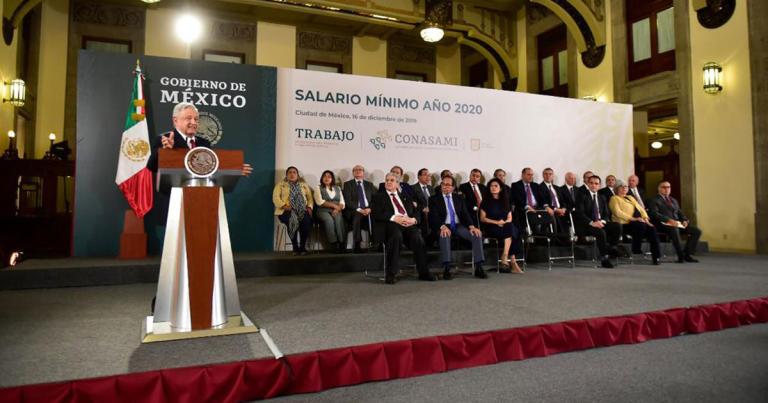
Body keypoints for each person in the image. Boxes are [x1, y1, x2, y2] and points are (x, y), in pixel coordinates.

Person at [150, 102, 252, 176]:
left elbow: (211, 167)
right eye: (189, 118)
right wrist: (164, 151)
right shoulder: (164, 139)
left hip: (201, 195)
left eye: (196, 119)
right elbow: (151, 167)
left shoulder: (204, 143)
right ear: (175, 120)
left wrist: (233, 169)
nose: (194, 122)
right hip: (173, 198)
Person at [372, 172, 436, 284]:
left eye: (392, 180)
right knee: (396, 236)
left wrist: (413, 220)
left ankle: (424, 272)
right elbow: (376, 213)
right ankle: (391, 274)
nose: (388, 182)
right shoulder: (378, 197)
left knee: (417, 237)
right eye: (387, 180)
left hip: (407, 223)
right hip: (390, 224)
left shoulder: (406, 196)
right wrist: (394, 217)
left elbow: (416, 211)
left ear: (397, 183)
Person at [429, 176, 487, 279]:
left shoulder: (459, 198)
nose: (445, 187)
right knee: (444, 235)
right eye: (443, 184)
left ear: (453, 187)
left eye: (448, 185)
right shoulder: (434, 199)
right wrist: (442, 226)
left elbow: (465, 214)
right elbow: (433, 216)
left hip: (458, 225)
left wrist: (472, 226)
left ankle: (479, 267)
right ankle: (446, 268)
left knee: (476, 235)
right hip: (443, 225)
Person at [573, 175, 623, 268]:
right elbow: (580, 214)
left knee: (617, 226)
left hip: (600, 223)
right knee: (601, 232)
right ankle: (604, 258)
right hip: (586, 225)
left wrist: (602, 222)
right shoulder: (582, 196)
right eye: (591, 183)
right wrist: (593, 223)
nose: (593, 185)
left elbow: (606, 214)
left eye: (596, 184)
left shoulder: (602, 197)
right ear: (588, 184)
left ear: (599, 186)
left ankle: (611, 248)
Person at [608, 180, 661, 265]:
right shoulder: (614, 198)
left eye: (626, 186)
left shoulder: (630, 197)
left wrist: (646, 220)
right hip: (623, 223)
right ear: (616, 189)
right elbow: (617, 212)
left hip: (637, 223)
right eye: (621, 187)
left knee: (652, 228)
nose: (624, 188)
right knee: (640, 226)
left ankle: (656, 257)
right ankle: (636, 248)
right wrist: (633, 219)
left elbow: (641, 209)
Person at [648, 181, 702, 263]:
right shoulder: (653, 200)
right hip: (662, 224)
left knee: (696, 231)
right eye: (664, 187)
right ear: (659, 189)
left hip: (676, 224)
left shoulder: (673, 200)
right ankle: (680, 256)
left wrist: (685, 220)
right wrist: (668, 220)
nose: (667, 189)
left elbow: (680, 212)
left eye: (668, 187)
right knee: (674, 229)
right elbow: (654, 213)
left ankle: (687, 254)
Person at [480, 178, 524, 274]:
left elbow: (509, 218)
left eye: (496, 186)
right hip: (491, 227)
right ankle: (511, 261)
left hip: (504, 226)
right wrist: (497, 222)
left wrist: (504, 223)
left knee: (510, 227)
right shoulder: (485, 202)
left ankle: (506, 256)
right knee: (512, 231)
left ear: (500, 188)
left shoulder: (505, 201)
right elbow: (483, 218)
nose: (493, 188)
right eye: (491, 186)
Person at [273, 166, 313, 255]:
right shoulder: (281, 185)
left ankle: (302, 247)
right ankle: (295, 247)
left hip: (302, 209)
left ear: (297, 175)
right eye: (290, 172)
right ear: (287, 175)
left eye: (294, 172)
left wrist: (310, 207)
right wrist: (284, 206)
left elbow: (310, 198)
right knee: (292, 221)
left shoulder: (304, 185)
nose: (292, 174)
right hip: (286, 210)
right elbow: (275, 198)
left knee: (306, 222)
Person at [342, 165, 375, 253]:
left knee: (379, 216)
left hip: (369, 210)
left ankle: (376, 244)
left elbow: (375, 199)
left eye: (360, 170)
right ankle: (357, 244)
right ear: (353, 173)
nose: (358, 171)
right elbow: (348, 201)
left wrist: (370, 209)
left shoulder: (369, 185)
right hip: (354, 210)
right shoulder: (348, 184)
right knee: (357, 216)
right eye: (355, 170)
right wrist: (360, 209)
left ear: (363, 173)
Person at [511, 167, 551, 235]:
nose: (531, 176)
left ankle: (549, 238)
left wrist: (546, 206)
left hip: (537, 208)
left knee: (550, 214)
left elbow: (542, 198)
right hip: (523, 208)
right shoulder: (516, 185)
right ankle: (536, 236)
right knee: (529, 214)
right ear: (523, 175)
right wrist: (527, 206)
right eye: (528, 174)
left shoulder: (535, 185)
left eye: (532, 175)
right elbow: (517, 199)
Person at [314, 170, 346, 253]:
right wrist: (335, 206)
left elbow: (342, 202)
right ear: (322, 178)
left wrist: (337, 209)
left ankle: (341, 243)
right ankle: (333, 244)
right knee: (329, 220)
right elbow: (319, 202)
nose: (327, 178)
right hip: (322, 211)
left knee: (339, 220)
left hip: (337, 210)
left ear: (332, 179)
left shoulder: (338, 188)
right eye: (325, 176)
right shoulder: (318, 187)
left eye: (329, 176)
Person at [411, 168, 434, 245]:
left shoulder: (431, 188)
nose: (428, 177)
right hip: (420, 212)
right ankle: (425, 242)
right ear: (419, 177)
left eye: (429, 175)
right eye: (425, 175)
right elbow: (413, 203)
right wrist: (423, 208)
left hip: (431, 211)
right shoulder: (413, 188)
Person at [540, 167, 568, 231]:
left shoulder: (557, 188)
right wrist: (556, 210)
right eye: (546, 174)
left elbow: (562, 201)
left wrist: (563, 208)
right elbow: (543, 201)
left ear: (553, 176)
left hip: (561, 212)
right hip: (550, 212)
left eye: (550, 174)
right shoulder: (540, 187)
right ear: (543, 175)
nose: (548, 176)